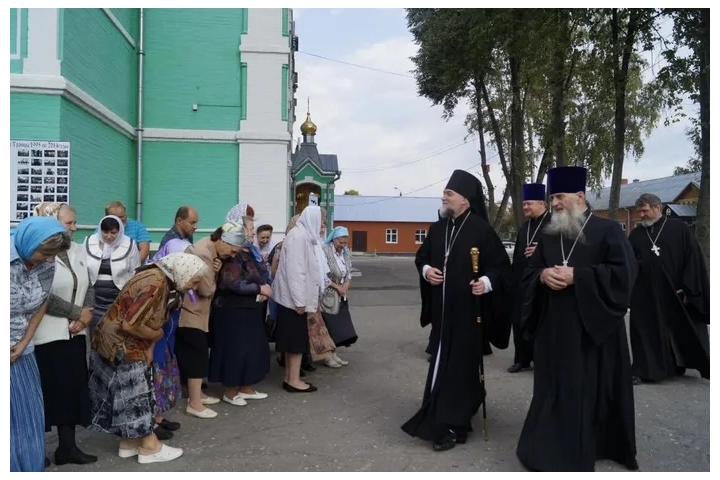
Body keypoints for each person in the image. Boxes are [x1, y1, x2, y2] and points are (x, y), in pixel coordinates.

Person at [515, 166, 639, 472]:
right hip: (553, 328)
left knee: (590, 388)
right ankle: (549, 443)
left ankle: (595, 443)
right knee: (553, 387)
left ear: (580, 196)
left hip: (592, 330)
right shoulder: (548, 234)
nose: (554, 203)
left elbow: (625, 274)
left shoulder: (607, 230)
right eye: (552, 197)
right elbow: (528, 272)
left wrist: (578, 277)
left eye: (559, 196)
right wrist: (543, 274)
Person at [401, 169, 513, 452]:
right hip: (442, 313)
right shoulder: (438, 228)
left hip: (467, 314)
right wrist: (427, 271)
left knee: (461, 369)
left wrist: (486, 283)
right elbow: (421, 257)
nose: (444, 196)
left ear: (465, 200)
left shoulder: (480, 229)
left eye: (449, 193)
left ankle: (453, 424)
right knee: (441, 366)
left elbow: (500, 267)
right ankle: (444, 413)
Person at [88, 253, 208, 464]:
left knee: (128, 394)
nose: (193, 287)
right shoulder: (156, 283)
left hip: (119, 343)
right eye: (194, 280)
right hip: (121, 345)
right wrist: (156, 336)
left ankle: (129, 442)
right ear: (183, 271)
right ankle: (149, 446)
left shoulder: (164, 279)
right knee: (137, 396)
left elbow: (150, 319)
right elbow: (130, 324)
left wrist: (151, 345)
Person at [32, 203, 97, 466]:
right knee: (48, 393)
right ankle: (36, 451)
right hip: (48, 336)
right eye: (69, 223)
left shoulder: (77, 249)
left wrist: (87, 314)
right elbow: (42, 295)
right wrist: (76, 313)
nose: (75, 227)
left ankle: (67, 448)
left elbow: (88, 283)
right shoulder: (39, 254)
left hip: (75, 334)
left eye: (74, 222)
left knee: (71, 391)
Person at [10, 216, 72, 472]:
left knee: (27, 421)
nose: (48, 260)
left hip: (21, 354)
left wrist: (24, 342)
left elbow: (43, 301)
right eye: (43, 254)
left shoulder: (47, 262)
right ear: (26, 243)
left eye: (52, 256)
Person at [628, 193, 710, 384]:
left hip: (675, 290)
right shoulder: (637, 234)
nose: (641, 215)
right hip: (645, 292)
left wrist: (687, 288)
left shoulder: (679, 229)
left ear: (658, 208)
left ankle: (677, 364)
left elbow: (693, 260)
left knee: (676, 329)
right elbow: (629, 261)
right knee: (646, 331)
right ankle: (644, 370)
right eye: (639, 211)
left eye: (645, 210)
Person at [176, 222, 246, 419]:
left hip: (196, 311)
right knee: (197, 356)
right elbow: (206, 290)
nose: (232, 255)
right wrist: (214, 274)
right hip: (190, 311)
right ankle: (194, 403)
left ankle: (197, 395)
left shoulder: (209, 247)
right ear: (223, 241)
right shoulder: (204, 253)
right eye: (232, 250)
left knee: (197, 353)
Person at [271, 205, 328, 393]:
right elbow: (296, 273)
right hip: (294, 300)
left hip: (292, 299)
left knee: (290, 341)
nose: (321, 225)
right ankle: (293, 380)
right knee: (295, 342)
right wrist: (300, 301)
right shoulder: (298, 237)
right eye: (320, 221)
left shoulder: (301, 236)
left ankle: (290, 377)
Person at [146, 238, 194, 440]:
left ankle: (158, 416)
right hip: (154, 341)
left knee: (163, 378)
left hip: (166, 339)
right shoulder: (158, 281)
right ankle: (151, 423)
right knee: (153, 380)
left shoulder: (173, 279)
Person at [508, 183, 549, 374]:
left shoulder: (553, 224)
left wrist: (541, 251)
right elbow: (517, 254)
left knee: (539, 322)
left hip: (541, 284)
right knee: (519, 321)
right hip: (521, 282)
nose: (525, 207)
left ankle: (542, 360)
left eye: (529, 204)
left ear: (542, 203)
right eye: (524, 204)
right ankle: (521, 359)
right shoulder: (525, 226)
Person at [84, 215, 141, 336]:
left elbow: (134, 272)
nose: (109, 236)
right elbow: (82, 267)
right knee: (93, 333)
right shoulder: (89, 241)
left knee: (113, 334)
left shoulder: (130, 244)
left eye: (113, 232)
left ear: (119, 231)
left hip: (117, 300)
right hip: (93, 299)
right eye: (105, 232)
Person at [320, 226, 358, 368]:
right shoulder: (325, 251)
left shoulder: (345, 252)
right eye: (340, 242)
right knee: (330, 326)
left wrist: (346, 285)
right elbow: (323, 276)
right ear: (334, 239)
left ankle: (334, 354)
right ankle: (327, 357)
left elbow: (349, 272)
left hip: (342, 295)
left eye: (345, 242)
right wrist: (337, 287)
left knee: (339, 327)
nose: (343, 245)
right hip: (329, 296)